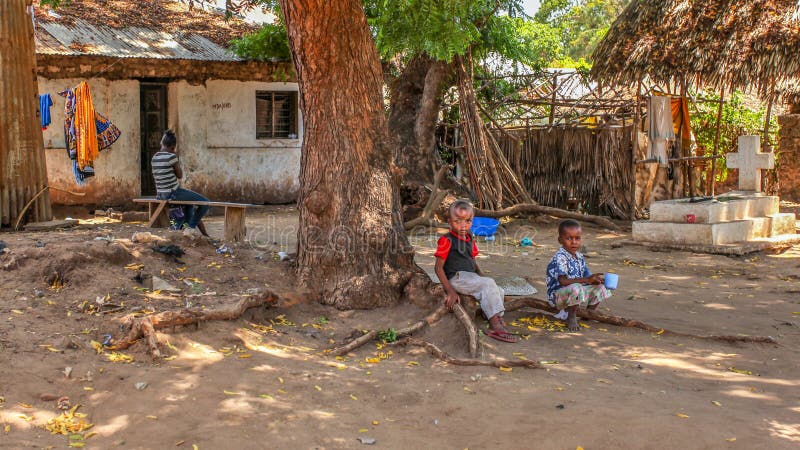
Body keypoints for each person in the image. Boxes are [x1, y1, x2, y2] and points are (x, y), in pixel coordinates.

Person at [434, 199, 516, 343]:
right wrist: (450, 291)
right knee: (488, 286)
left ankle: (489, 313)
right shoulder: (446, 240)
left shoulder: (469, 237)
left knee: (498, 290)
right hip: (456, 278)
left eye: (468, 221)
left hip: (469, 277)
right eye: (458, 221)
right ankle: (496, 324)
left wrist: (482, 276)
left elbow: (473, 261)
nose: (463, 225)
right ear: (449, 221)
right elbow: (438, 267)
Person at [545, 219, 612, 331]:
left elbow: (588, 277)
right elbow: (563, 281)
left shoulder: (579, 256)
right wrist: (586, 279)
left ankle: (588, 313)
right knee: (577, 287)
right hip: (558, 297)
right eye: (569, 238)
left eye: (577, 238)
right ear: (560, 240)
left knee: (601, 287)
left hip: (574, 293)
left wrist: (597, 280)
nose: (574, 242)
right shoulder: (560, 257)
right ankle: (571, 316)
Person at [151, 129, 209, 238]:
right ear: (173, 147)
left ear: (161, 143)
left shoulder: (154, 157)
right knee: (205, 202)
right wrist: (175, 158)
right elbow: (180, 175)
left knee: (189, 205)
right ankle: (190, 228)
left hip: (160, 194)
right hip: (173, 193)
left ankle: (188, 228)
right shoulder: (172, 157)